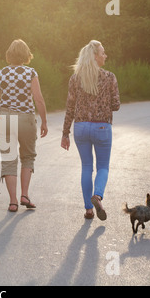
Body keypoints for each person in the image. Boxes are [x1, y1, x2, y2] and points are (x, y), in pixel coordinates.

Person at [61, 40, 120, 220]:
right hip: (102, 126)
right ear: (95, 56)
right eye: (103, 53)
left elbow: (70, 106)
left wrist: (65, 133)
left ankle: (88, 209)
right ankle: (98, 195)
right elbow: (116, 105)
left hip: (80, 127)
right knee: (102, 167)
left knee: (86, 167)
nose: (105, 55)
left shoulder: (75, 78)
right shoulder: (109, 77)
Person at [0, 39, 48, 212]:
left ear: (9, 54)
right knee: (28, 157)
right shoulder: (31, 73)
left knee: (8, 159)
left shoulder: (0, 74)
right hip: (25, 118)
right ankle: (25, 195)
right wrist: (44, 121)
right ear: (26, 55)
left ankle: (13, 201)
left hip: (5, 117)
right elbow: (38, 99)